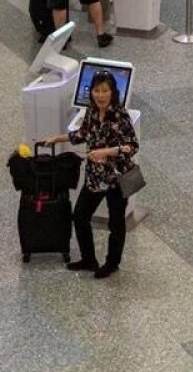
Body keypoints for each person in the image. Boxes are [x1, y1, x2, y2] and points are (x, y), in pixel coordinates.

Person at [44, 69, 139, 279]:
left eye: (105, 91)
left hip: (116, 178)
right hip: (95, 176)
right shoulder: (92, 111)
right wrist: (57, 138)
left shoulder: (120, 116)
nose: (100, 95)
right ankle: (89, 259)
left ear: (112, 92)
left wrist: (107, 151)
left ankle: (112, 263)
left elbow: (131, 146)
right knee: (80, 216)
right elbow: (82, 134)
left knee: (116, 223)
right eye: (96, 90)